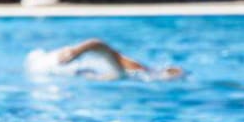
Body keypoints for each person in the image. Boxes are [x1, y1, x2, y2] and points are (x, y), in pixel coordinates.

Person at [25, 38, 184, 81]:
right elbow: (97, 43)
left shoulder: (126, 72)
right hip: (61, 63)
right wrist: (76, 52)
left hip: (58, 65)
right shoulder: (123, 72)